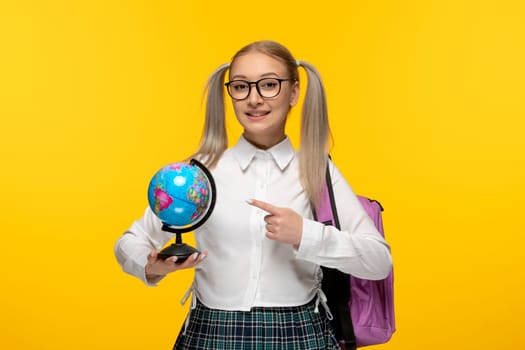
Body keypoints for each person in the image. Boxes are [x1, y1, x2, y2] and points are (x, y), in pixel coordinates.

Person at [114, 40, 392, 349]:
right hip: (212, 333)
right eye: (242, 87)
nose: (254, 99)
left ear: (294, 92)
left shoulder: (317, 171)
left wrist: (306, 235)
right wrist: (151, 265)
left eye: (269, 85)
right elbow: (128, 243)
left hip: (300, 334)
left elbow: (378, 261)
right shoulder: (199, 175)